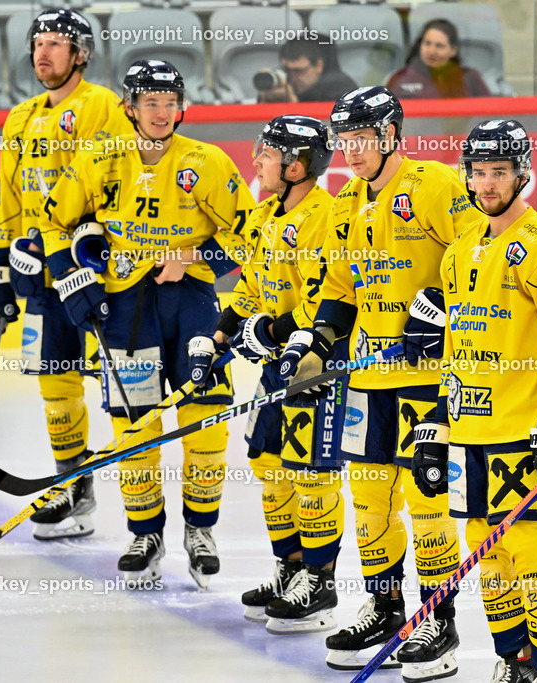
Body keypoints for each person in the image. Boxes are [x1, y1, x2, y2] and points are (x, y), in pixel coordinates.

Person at [278, 86, 480, 682]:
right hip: (369, 378)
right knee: (370, 499)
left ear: (391, 134)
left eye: (362, 138)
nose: (351, 150)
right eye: (344, 140)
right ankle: (388, 607)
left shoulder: (436, 185)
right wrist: (317, 341)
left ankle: (437, 620)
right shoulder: (344, 204)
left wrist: (441, 304)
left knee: (427, 500)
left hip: (431, 381)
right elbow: (340, 289)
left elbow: (481, 252)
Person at [38, 59, 255, 589]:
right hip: (124, 310)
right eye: (150, 103)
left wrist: (192, 255)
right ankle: (145, 532)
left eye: (169, 102)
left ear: (183, 107)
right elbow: (50, 222)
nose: (161, 113)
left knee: (205, 416)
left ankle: (200, 531)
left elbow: (252, 237)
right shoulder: (97, 160)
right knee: (135, 425)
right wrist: (74, 282)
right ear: (130, 109)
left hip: (192, 304)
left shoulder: (206, 162)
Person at [410, 120, 537, 683]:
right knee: (486, 555)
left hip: (528, 432)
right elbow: (460, 347)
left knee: (533, 550)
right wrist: (437, 426)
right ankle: (514, 658)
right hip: (470, 432)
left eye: (499, 172)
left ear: (523, 174)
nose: (487, 183)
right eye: (478, 172)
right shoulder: (462, 248)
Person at [0, 8, 132, 542]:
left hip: (91, 270)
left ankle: (146, 516)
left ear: (81, 54)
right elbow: (8, 198)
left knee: (125, 389)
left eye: (57, 44)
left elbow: (107, 184)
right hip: (39, 275)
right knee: (54, 378)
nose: (43, 52)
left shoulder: (101, 105)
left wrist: (76, 249)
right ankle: (72, 485)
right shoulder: (18, 117)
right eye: (38, 42)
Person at [189, 115, 347, 635]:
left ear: (297, 165)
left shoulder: (327, 216)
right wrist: (218, 336)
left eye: (268, 152)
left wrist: (271, 328)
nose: (256, 159)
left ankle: (319, 584)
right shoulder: (263, 215)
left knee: (310, 473)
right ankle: (291, 570)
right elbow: (251, 289)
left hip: (313, 365)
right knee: (269, 466)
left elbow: (324, 299)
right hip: (272, 363)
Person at [386, 19, 490, 100]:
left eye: (439, 46)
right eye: (427, 43)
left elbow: (488, 115)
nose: (431, 51)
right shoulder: (401, 79)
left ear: (453, 50)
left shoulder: (470, 78)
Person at [255, 33, 358, 104]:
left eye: (300, 71)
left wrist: (292, 105)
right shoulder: (284, 84)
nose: (292, 77)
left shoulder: (343, 91)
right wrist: (265, 99)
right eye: (287, 70)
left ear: (319, 66)